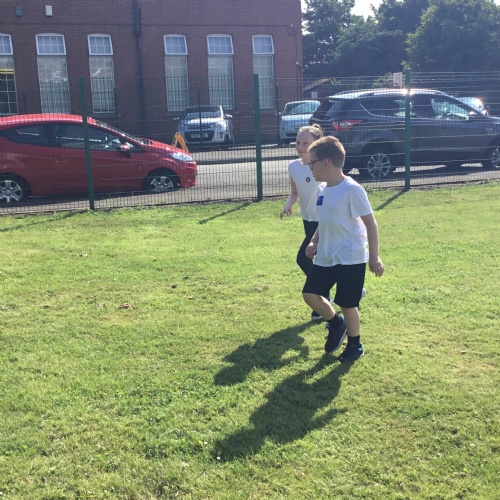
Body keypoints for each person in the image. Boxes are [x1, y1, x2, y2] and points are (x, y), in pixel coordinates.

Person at [302, 136, 384, 362]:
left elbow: (370, 224)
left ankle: (355, 346)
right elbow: (324, 220)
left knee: (348, 304)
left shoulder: (352, 190)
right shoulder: (322, 189)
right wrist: (315, 241)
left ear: (325, 163)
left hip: (350, 257)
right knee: (310, 294)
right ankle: (337, 325)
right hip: (326, 256)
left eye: (312, 163)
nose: (310, 169)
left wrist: (374, 257)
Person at [279, 124, 326, 321]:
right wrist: (287, 205)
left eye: (305, 143)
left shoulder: (323, 165)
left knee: (304, 258)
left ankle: (322, 300)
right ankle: (351, 290)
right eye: (298, 142)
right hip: (307, 220)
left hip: (322, 222)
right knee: (325, 261)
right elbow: (295, 192)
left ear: (316, 144)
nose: (300, 146)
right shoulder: (293, 167)